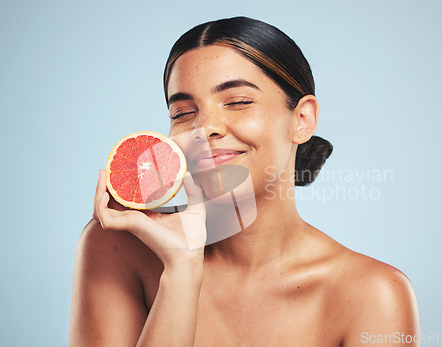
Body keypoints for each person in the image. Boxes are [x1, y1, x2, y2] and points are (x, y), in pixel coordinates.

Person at [70, 16, 419, 346]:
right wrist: (180, 272)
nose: (204, 127)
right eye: (183, 112)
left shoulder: (373, 294)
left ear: (302, 119)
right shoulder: (118, 248)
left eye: (237, 101)